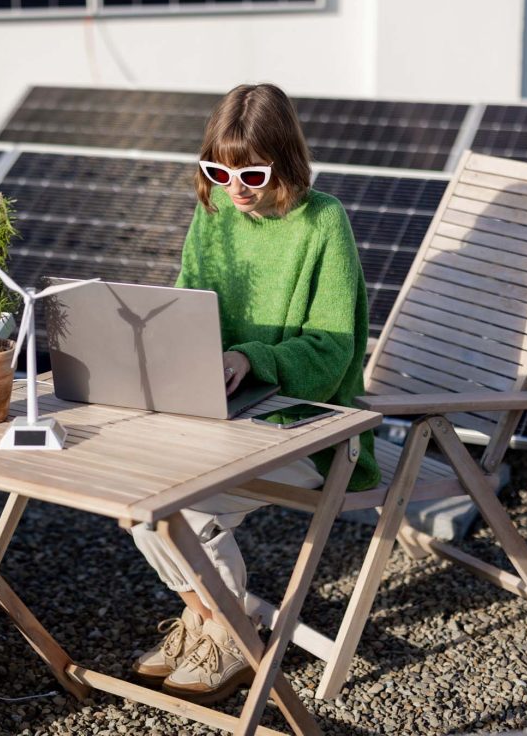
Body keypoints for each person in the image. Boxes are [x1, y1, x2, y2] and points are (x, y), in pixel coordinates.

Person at [127, 83, 380, 703]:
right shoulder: (213, 212)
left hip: (312, 425)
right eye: (217, 170)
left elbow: (332, 354)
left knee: (191, 512)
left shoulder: (323, 223)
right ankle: (211, 619)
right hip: (221, 411)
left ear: (286, 163)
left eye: (252, 173)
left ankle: (233, 643)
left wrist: (250, 357)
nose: (233, 188)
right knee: (136, 500)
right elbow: (187, 307)